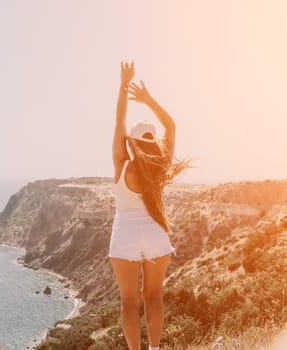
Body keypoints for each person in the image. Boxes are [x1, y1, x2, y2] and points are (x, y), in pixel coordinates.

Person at [109, 61, 189, 350]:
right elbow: (171, 125)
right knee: (153, 296)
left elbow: (119, 123)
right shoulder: (161, 167)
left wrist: (123, 84)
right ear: (153, 143)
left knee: (129, 301)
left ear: (132, 143)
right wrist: (148, 99)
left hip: (125, 237)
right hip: (155, 235)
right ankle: (155, 349)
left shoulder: (122, 162)